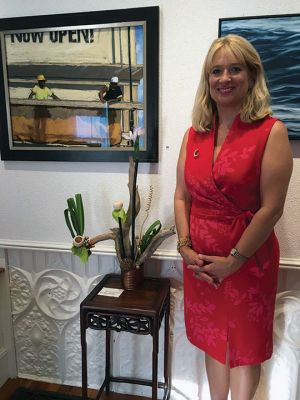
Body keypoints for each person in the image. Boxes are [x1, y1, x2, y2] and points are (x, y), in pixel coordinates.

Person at [174, 34, 292, 400]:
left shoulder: (270, 132)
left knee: (243, 348)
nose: (224, 78)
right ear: (207, 80)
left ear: (251, 75)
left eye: (235, 69)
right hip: (200, 266)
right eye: (216, 71)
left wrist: (233, 261)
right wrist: (183, 246)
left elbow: (272, 208)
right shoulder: (194, 134)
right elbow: (181, 196)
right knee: (213, 342)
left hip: (246, 264)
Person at [28, 74, 59, 143]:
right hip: (37, 108)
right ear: (38, 82)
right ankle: (37, 139)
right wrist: (28, 102)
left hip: (44, 109)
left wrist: (60, 102)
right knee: (37, 125)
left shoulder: (47, 89)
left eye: (43, 81)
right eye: (41, 81)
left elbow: (53, 96)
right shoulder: (36, 88)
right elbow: (31, 95)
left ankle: (43, 139)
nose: (42, 82)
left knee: (43, 125)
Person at [99, 76, 123, 146]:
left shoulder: (118, 88)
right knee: (103, 123)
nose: (114, 85)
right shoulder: (107, 86)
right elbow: (100, 92)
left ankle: (111, 139)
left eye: (115, 83)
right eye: (113, 83)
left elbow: (119, 98)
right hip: (105, 106)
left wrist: (112, 100)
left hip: (112, 107)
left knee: (112, 124)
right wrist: (102, 99)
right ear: (111, 83)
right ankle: (103, 138)